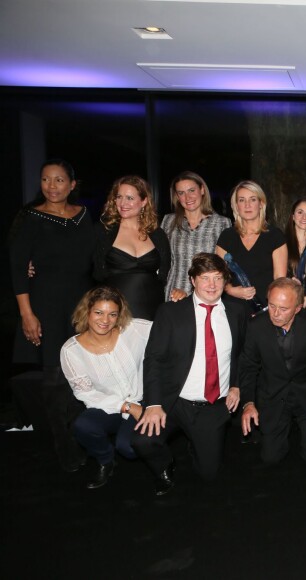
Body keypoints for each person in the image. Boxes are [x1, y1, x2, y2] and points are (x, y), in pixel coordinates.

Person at [132, 253, 246, 495]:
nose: (212, 285)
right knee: (142, 441)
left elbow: (240, 354)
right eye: (205, 278)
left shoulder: (236, 312)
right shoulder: (170, 313)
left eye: (218, 278)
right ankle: (165, 465)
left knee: (209, 474)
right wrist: (153, 403)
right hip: (173, 401)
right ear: (193, 281)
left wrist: (236, 385)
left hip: (211, 405)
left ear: (226, 281)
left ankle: (199, 443)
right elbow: (153, 359)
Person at [9, 158, 95, 472]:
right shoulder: (30, 217)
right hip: (44, 305)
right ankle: (64, 447)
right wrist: (27, 315)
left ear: (72, 184)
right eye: (46, 180)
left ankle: (82, 435)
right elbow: (18, 267)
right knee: (56, 379)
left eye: (59, 180)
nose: (52, 186)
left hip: (81, 306)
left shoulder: (85, 216)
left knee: (80, 377)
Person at [239, 278, 306, 465]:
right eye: (272, 306)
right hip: (273, 394)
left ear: (298, 308)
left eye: (284, 309)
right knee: (271, 458)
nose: (276, 314)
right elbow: (248, 367)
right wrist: (248, 403)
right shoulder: (256, 327)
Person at [61, 287, 151, 489]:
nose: (105, 320)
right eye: (99, 313)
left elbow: (170, 328)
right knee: (84, 426)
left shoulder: (135, 330)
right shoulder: (71, 350)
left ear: (119, 315)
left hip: (143, 401)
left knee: (129, 448)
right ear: (87, 312)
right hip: (109, 407)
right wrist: (127, 407)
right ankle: (105, 459)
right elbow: (85, 393)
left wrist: (181, 301)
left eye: (112, 314)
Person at [94, 175, 171, 320]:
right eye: (119, 197)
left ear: (144, 201)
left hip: (153, 309)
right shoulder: (103, 231)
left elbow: (164, 274)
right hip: (117, 310)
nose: (123, 203)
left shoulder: (157, 234)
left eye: (129, 198)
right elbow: (93, 272)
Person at [216, 180, 287, 316]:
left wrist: (268, 308)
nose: (247, 205)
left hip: (265, 310)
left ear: (261, 204)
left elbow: (279, 279)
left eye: (252, 199)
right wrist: (231, 290)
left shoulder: (275, 236)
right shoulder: (227, 236)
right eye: (242, 200)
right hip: (231, 308)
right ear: (236, 206)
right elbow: (218, 275)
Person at [161, 171, 230, 302]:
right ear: (177, 196)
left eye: (192, 190)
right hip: (174, 294)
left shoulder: (222, 223)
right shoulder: (169, 221)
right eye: (181, 193)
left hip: (208, 292)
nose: (187, 197)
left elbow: (223, 266)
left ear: (202, 190)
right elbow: (162, 261)